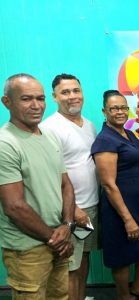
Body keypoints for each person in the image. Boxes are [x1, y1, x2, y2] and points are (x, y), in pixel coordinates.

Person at [0, 73, 75, 299]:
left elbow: (66, 185)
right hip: (27, 249)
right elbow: (14, 206)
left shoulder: (49, 135)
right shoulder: (5, 143)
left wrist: (67, 225)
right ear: (7, 102)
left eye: (40, 98)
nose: (36, 106)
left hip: (59, 239)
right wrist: (54, 239)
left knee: (60, 296)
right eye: (26, 99)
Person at [91, 90, 139, 300]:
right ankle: (123, 295)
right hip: (119, 207)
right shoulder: (105, 140)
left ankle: (138, 287)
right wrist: (127, 219)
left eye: (123, 107)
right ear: (105, 111)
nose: (120, 112)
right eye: (114, 108)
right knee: (121, 254)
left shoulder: (128, 134)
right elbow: (109, 185)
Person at [41, 73, 99, 300]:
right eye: (65, 92)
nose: (72, 96)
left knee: (83, 261)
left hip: (90, 206)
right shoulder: (50, 128)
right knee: (69, 267)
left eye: (76, 91)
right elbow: (49, 175)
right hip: (70, 211)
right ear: (54, 97)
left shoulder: (89, 125)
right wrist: (73, 210)